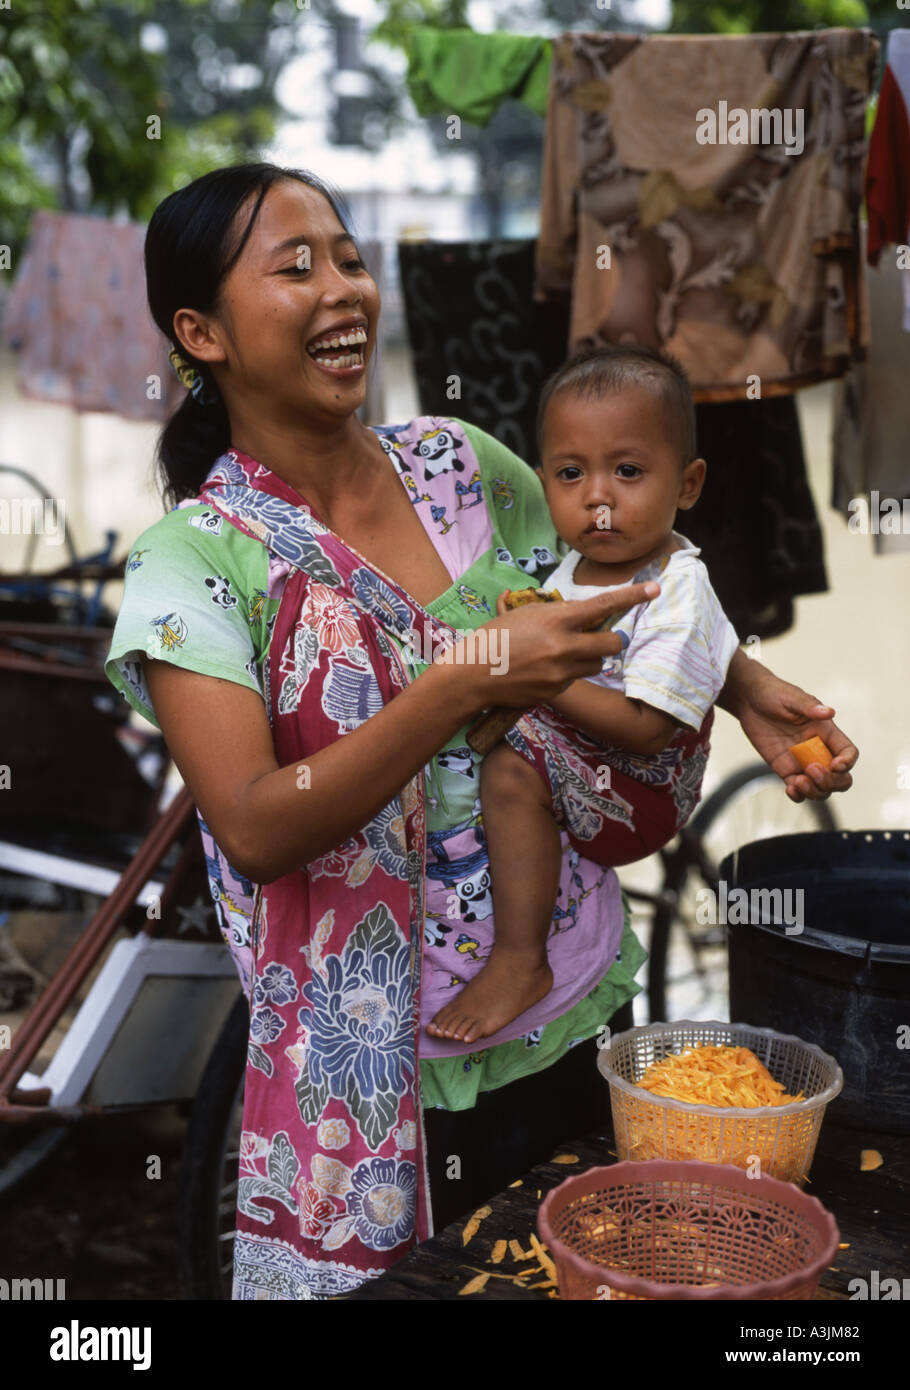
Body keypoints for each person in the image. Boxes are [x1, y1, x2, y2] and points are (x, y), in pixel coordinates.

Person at [104, 162, 857, 1301]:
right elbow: (255, 827)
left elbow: (603, 575)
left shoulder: (457, 467)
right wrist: (462, 684)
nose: (344, 288)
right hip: (379, 1075)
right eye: (294, 267)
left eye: (349, 257)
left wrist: (740, 680)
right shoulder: (195, 566)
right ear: (200, 330)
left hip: (567, 998)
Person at [428, 344, 742, 1044]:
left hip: (645, 786)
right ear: (543, 483)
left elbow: (645, 729)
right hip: (600, 758)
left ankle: (520, 959)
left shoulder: (675, 588)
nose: (598, 496)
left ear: (688, 484)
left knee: (509, 764)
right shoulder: (574, 568)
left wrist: (538, 669)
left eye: (628, 471)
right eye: (572, 474)